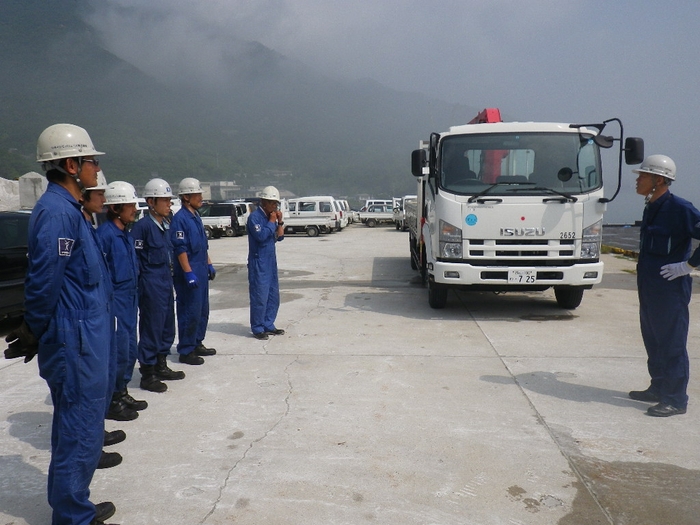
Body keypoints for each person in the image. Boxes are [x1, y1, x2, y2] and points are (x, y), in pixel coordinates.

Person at [17, 124, 117, 524]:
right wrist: (33, 329)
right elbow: (44, 280)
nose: (96, 168)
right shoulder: (58, 213)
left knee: (83, 423)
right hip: (75, 338)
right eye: (91, 160)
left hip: (87, 334)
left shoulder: (71, 211)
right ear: (71, 165)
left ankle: (76, 503)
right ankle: (73, 516)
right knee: (78, 426)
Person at [630, 154, 700, 417]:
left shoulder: (680, 208)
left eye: (643, 176)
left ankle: (675, 398)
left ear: (658, 180)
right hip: (649, 286)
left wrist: (689, 266)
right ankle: (658, 387)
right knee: (653, 339)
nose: (637, 180)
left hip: (670, 288)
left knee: (671, 342)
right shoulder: (652, 206)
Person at [97, 181, 148, 421]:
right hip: (115, 300)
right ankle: (112, 399)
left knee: (129, 348)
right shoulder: (105, 236)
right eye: (130, 206)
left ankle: (122, 390)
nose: (135, 210)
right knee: (117, 350)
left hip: (130, 298)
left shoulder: (126, 234)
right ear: (116, 208)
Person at [130, 179, 185, 393]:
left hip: (165, 280)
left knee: (166, 325)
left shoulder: (167, 224)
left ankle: (161, 364)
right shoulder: (142, 227)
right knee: (151, 327)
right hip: (150, 282)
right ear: (151, 202)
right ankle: (148, 373)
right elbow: (135, 258)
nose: (169, 204)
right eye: (165, 200)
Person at [170, 177, 217, 365]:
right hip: (188, 270)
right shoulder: (180, 220)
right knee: (190, 310)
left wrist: (209, 264)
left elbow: (202, 246)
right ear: (186, 197)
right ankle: (186, 349)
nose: (201, 198)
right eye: (197, 194)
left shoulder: (196, 217)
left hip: (200, 267)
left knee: (202, 309)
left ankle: (197, 342)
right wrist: (188, 273)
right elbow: (180, 249)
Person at [247, 186, 286, 340]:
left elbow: (280, 237)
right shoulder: (255, 218)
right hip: (259, 262)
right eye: (272, 203)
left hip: (270, 261)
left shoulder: (272, 216)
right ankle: (257, 327)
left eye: (276, 204)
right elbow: (262, 236)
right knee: (259, 296)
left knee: (272, 295)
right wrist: (271, 222)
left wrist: (280, 222)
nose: (274, 207)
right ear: (263, 202)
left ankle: (269, 324)